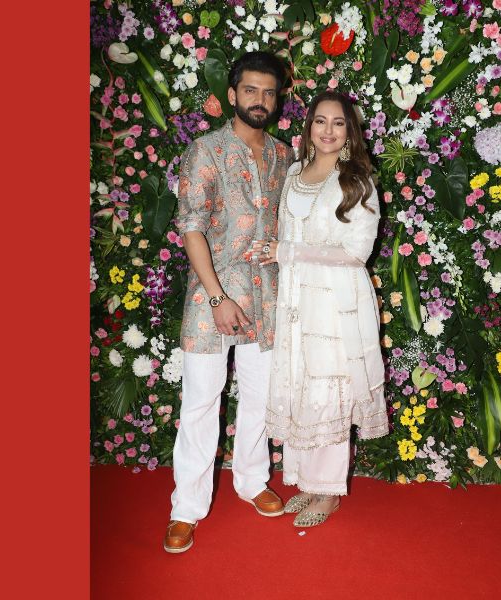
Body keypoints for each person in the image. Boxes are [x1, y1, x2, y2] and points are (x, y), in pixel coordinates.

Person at [164, 51, 292, 554]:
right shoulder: (205, 151)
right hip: (211, 298)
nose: (260, 100)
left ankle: (252, 481)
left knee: (261, 396)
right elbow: (190, 226)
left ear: (277, 100)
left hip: (268, 295)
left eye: (269, 92)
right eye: (251, 90)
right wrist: (217, 296)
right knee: (200, 402)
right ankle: (185, 509)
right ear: (233, 94)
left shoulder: (284, 156)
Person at [252, 90, 389, 527]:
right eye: (320, 121)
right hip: (296, 301)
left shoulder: (357, 181)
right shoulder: (295, 173)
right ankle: (308, 482)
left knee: (329, 392)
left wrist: (289, 252)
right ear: (309, 126)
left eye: (338, 122)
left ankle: (329, 493)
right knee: (302, 388)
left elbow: (357, 252)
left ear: (350, 131)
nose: (328, 130)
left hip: (335, 304)